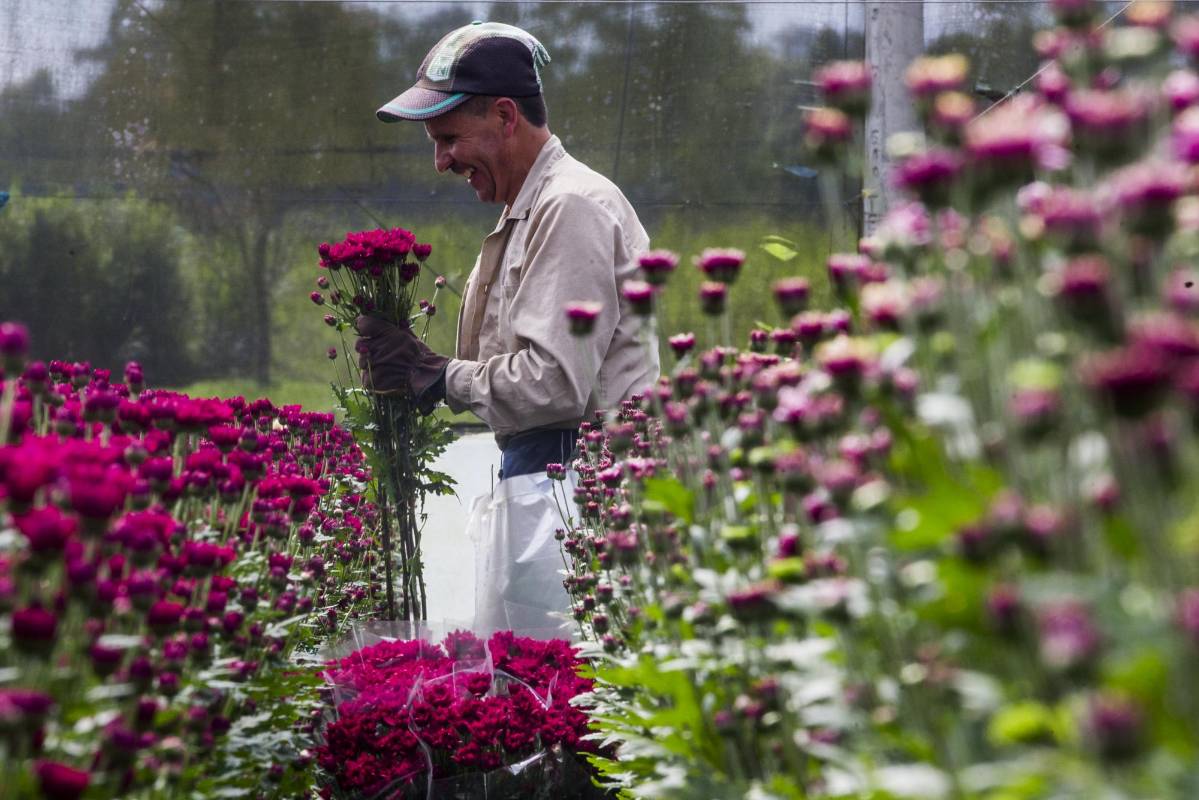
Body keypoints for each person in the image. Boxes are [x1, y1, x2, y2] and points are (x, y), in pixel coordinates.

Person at [356, 21, 659, 634]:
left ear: (504, 116)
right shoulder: (528, 209)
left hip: (578, 487)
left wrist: (435, 377)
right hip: (547, 482)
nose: (440, 161)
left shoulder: (570, 206)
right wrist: (426, 370)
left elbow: (554, 385)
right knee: (528, 692)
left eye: (447, 138)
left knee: (564, 700)